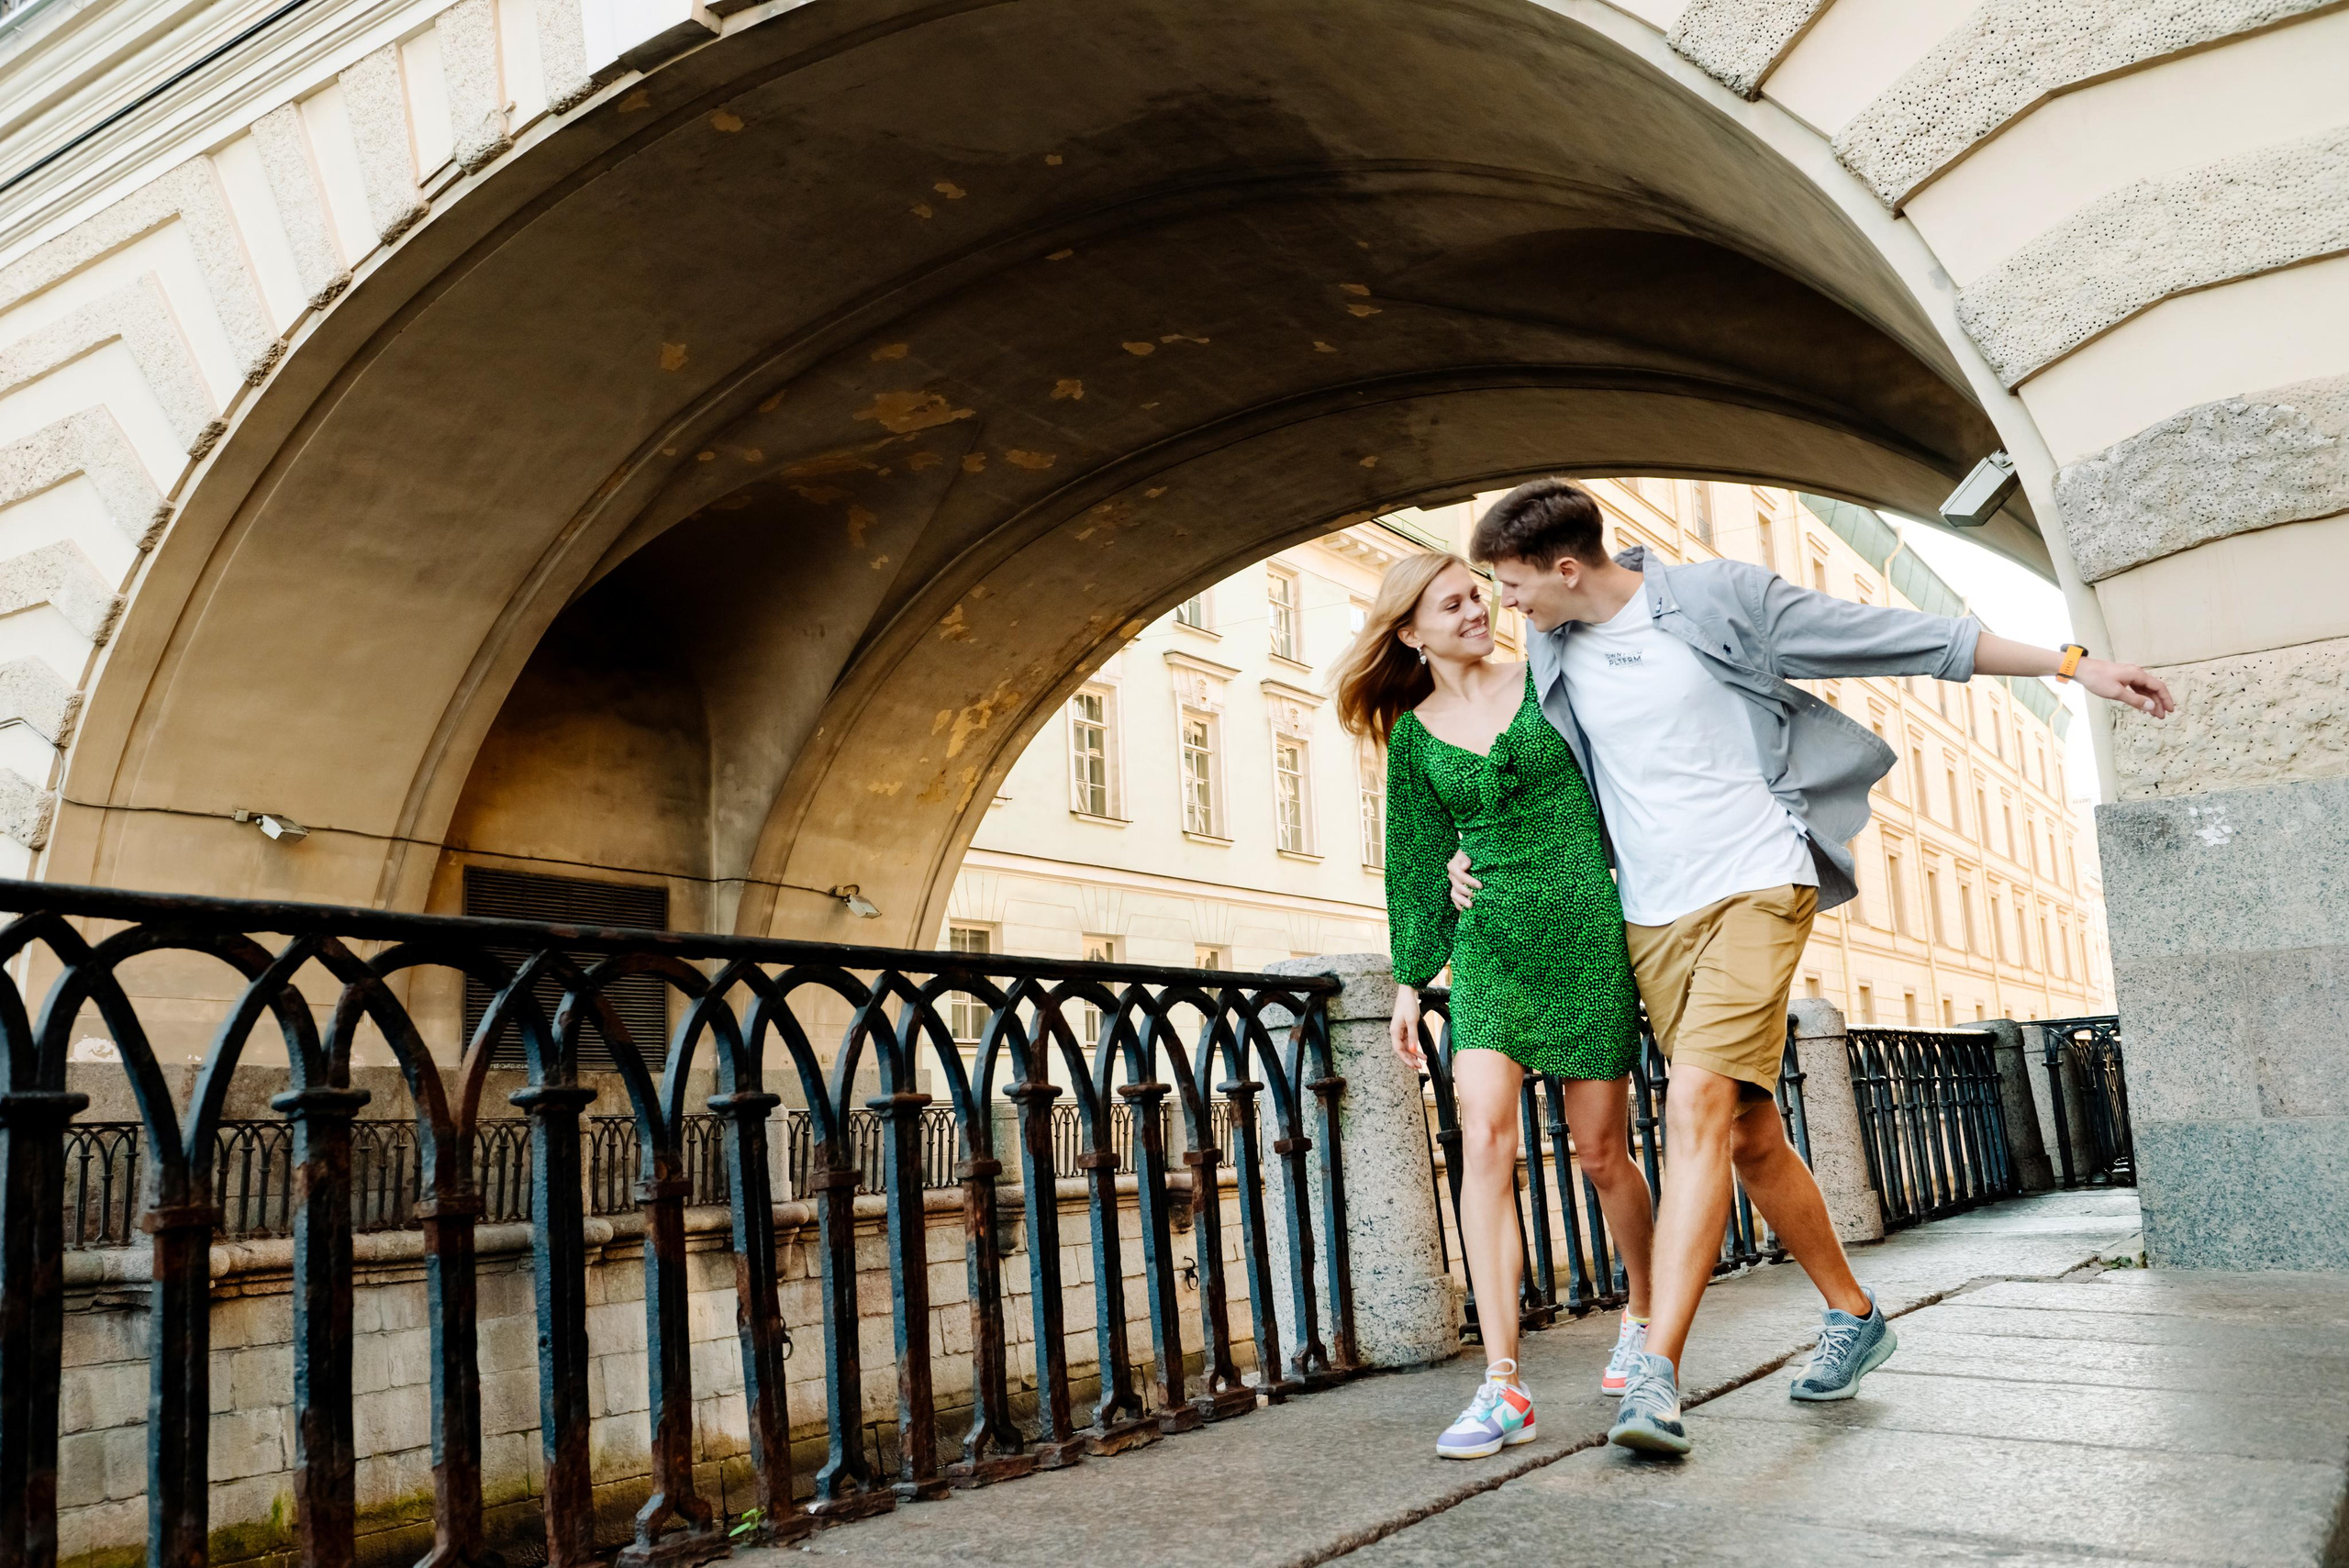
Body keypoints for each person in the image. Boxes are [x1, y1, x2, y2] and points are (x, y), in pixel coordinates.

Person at [1448, 479, 2173, 1456]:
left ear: (1566, 568)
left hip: (1758, 879)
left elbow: (1895, 636)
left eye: (1510, 583)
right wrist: (1471, 854)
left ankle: (1656, 1376)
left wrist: (2072, 663)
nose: (1504, 604)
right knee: (1749, 1133)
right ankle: (1854, 1313)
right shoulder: (1551, 646)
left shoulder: (1720, 599)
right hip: (1650, 913)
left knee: (1694, 1105)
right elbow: (1531, 773)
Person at [1332, 550, 1659, 1462]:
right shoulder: (1412, 736)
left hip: (1585, 928)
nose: (1477, 609)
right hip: (1490, 946)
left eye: (1477, 594)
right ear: (1410, 631)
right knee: (1483, 1140)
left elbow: (1628, 768)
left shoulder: (1549, 674)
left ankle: (1644, 1315)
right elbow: (1413, 855)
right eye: (1454, 604)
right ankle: (1503, 1381)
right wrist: (1410, 978)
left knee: (1600, 1151)